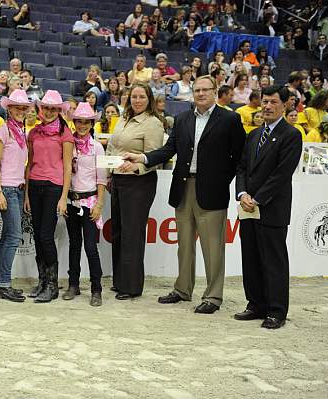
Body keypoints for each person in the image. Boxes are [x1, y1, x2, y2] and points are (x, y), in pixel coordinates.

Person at [125, 75, 245, 314]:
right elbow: (169, 150)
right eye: (197, 90)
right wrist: (144, 158)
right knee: (184, 244)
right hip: (183, 187)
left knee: (212, 248)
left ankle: (213, 296)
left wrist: (222, 181)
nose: (200, 94)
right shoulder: (182, 119)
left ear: (214, 91)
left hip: (212, 191)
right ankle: (182, 289)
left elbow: (239, 158)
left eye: (205, 90)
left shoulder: (230, 119)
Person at [234, 86, 303, 329]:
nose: (267, 106)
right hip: (247, 207)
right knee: (250, 257)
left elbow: (281, 174)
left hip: (272, 209)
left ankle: (276, 311)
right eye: (265, 102)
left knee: (273, 261)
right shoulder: (253, 135)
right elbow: (241, 168)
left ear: (285, 105)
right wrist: (242, 193)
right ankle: (255, 304)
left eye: (273, 102)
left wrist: (258, 198)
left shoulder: (291, 135)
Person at [106, 82, 165, 299]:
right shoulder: (122, 119)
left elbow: (156, 156)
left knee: (132, 233)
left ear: (149, 99)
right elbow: (112, 147)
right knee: (119, 232)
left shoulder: (153, 123)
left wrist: (137, 166)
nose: (137, 101)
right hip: (119, 180)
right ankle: (120, 280)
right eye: (134, 97)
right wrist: (110, 172)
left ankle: (131, 287)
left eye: (141, 97)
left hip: (140, 182)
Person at [25, 90, 74, 303]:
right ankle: (43, 281)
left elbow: (67, 168)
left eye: (53, 109)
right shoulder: (34, 133)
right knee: (37, 236)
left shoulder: (65, 134)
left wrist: (64, 197)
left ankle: (52, 285)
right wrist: (26, 193)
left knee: (46, 235)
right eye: (46, 108)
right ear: (41, 109)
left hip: (54, 187)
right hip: (35, 185)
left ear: (59, 111)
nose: (49, 112)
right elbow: (29, 164)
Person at [61, 102, 107, 306]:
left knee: (90, 247)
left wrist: (99, 205)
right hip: (72, 200)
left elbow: (102, 179)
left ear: (91, 123)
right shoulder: (68, 145)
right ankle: (73, 284)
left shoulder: (97, 147)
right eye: (78, 121)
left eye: (85, 122)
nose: (82, 125)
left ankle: (96, 288)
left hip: (90, 202)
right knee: (74, 245)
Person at [0, 89, 32, 302]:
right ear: (9, 108)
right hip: (6, 188)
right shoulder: (3, 131)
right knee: (14, 236)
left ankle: (0, 283)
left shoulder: (20, 133)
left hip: (17, 188)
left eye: (24, 108)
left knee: (9, 236)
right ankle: (3, 283)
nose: (21, 111)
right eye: (17, 107)